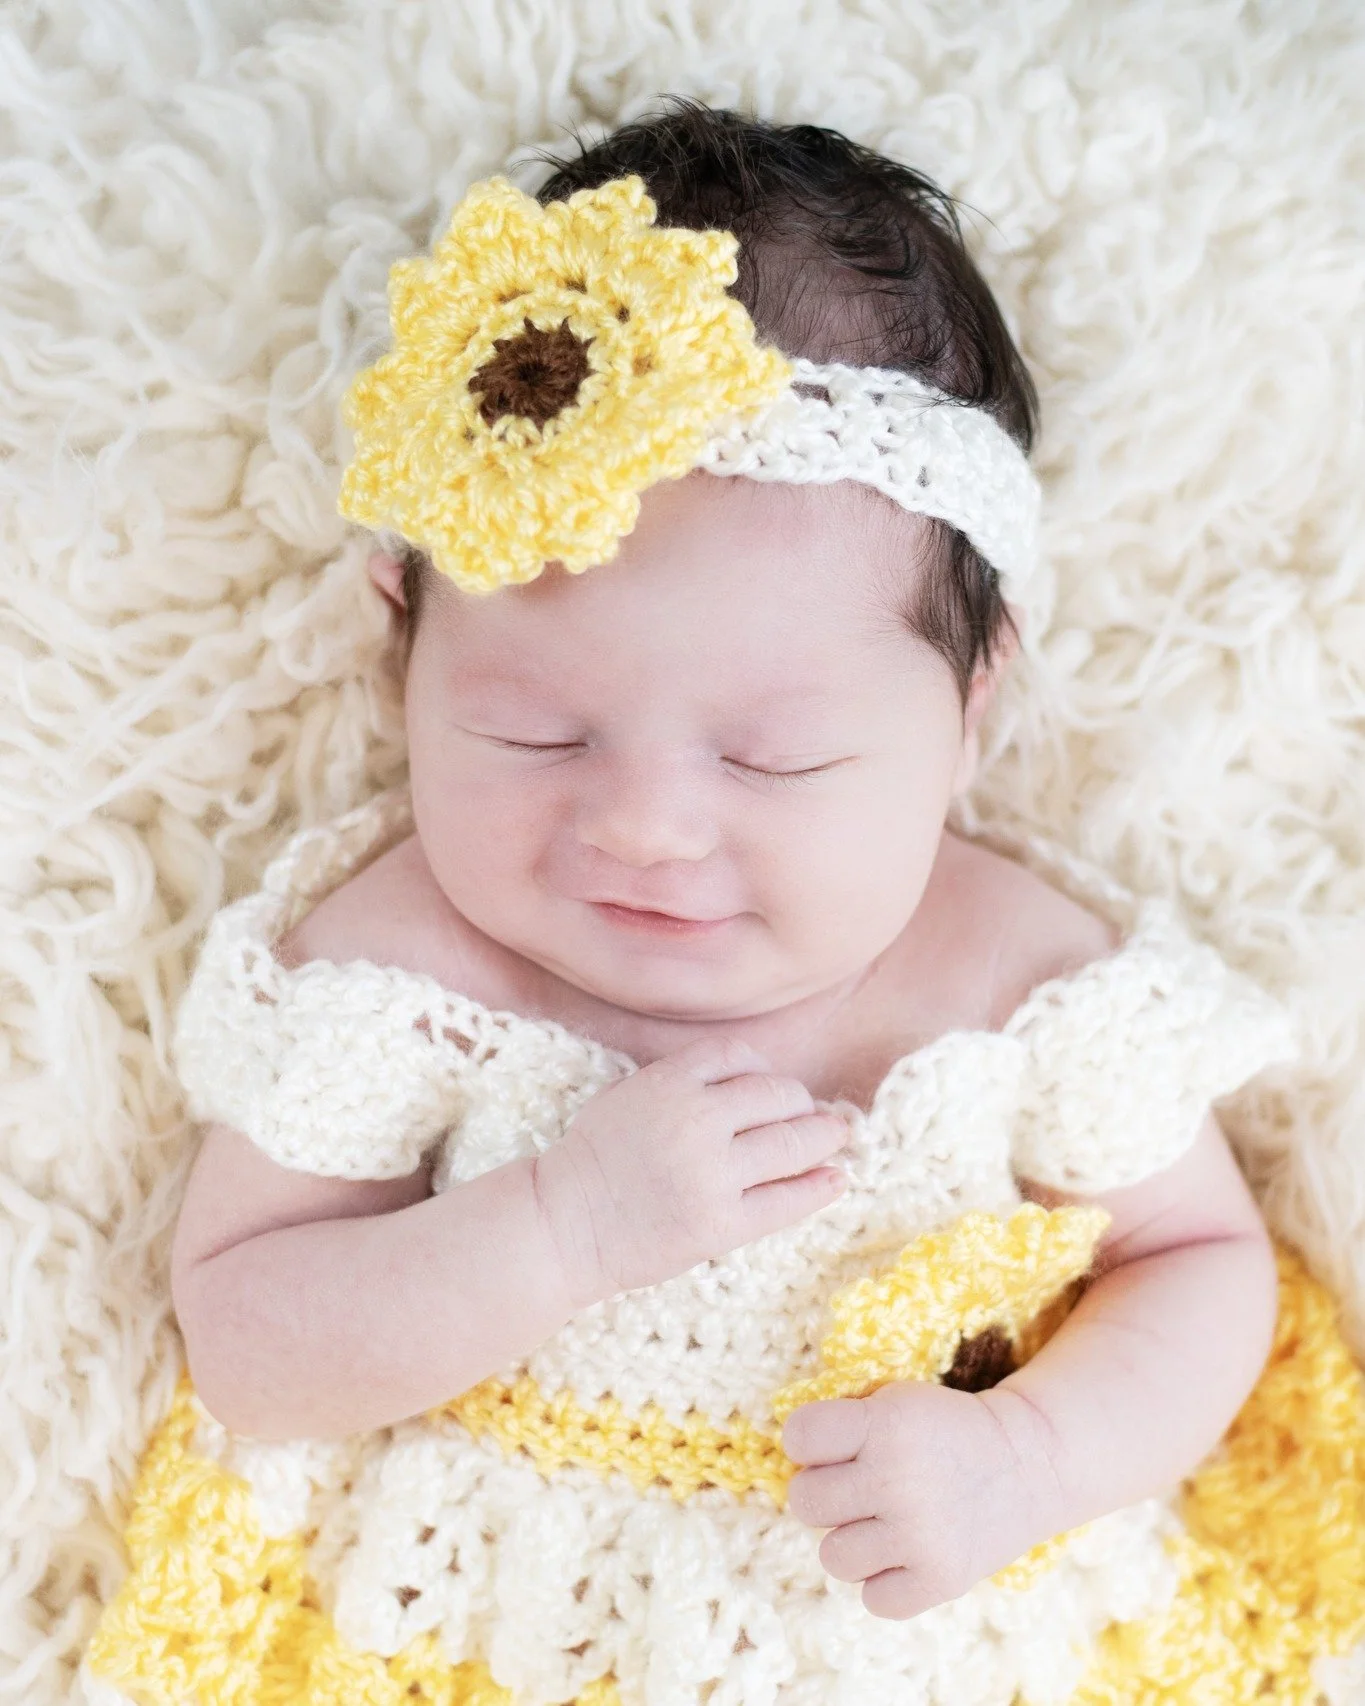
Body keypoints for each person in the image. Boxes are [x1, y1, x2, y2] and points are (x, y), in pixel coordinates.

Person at [81, 97, 1365, 1706]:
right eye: (534, 732)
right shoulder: (408, 970)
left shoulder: (1018, 980)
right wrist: (558, 1226)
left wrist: (1025, 1459)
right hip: (475, 1636)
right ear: (401, 639)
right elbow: (250, 1336)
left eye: (773, 760)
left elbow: (1200, 1264)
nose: (647, 830)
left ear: (971, 707)